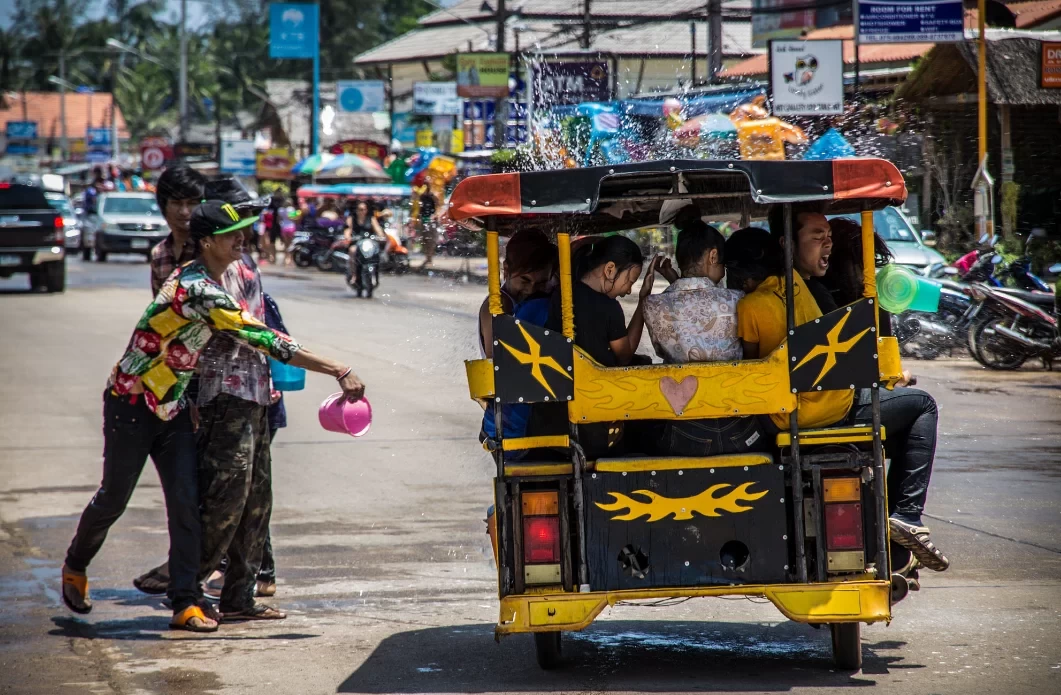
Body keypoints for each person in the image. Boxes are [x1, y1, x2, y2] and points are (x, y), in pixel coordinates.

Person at [62, 200, 366, 632]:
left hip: (176, 406)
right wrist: (337, 368)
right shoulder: (197, 288)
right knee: (114, 497)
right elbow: (259, 336)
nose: (242, 238)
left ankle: (185, 604)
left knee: (186, 503)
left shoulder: (226, 276)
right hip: (132, 402)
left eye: (243, 230)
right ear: (206, 242)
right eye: (232, 234)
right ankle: (76, 564)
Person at [823, 217, 948, 572]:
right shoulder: (866, 298)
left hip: (802, 411)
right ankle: (905, 516)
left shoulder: (811, 291)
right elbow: (880, 367)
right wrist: (897, 375)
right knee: (922, 407)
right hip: (843, 409)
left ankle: (895, 529)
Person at [642, 214, 764, 456]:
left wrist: (674, 283)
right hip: (739, 428)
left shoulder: (653, 306)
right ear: (713, 256)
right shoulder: (739, 300)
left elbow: (664, 345)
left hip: (683, 432)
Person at [543, 235, 658, 456]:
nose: (628, 290)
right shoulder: (609, 309)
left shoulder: (562, 294)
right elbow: (624, 355)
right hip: (596, 417)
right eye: (630, 281)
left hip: (557, 414)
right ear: (610, 269)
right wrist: (644, 299)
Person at [477, 230, 558, 447]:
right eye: (525, 280)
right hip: (512, 417)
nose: (531, 289)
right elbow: (501, 362)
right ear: (506, 270)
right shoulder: (498, 306)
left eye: (541, 282)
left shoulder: (547, 297)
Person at [149, 167, 206, 295]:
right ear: (164, 206)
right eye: (176, 203)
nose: (184, 211)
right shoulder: (159, 254)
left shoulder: (209, 248)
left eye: (191, 203)